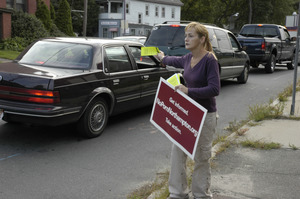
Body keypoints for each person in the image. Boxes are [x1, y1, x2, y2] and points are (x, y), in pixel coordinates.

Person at [157, 22, 220, 199]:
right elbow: (171, 60)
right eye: (186, 35)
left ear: (202, 39)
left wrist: (188, 91)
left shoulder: (210, 60)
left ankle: (201, 194)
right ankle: (178, 193)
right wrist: (161, 57)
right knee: (177, 152)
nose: (186, 39)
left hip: (206, 115)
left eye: (190, 35)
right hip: (187, 115)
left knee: (202, 157)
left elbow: (215, 89)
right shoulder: (187, 58)